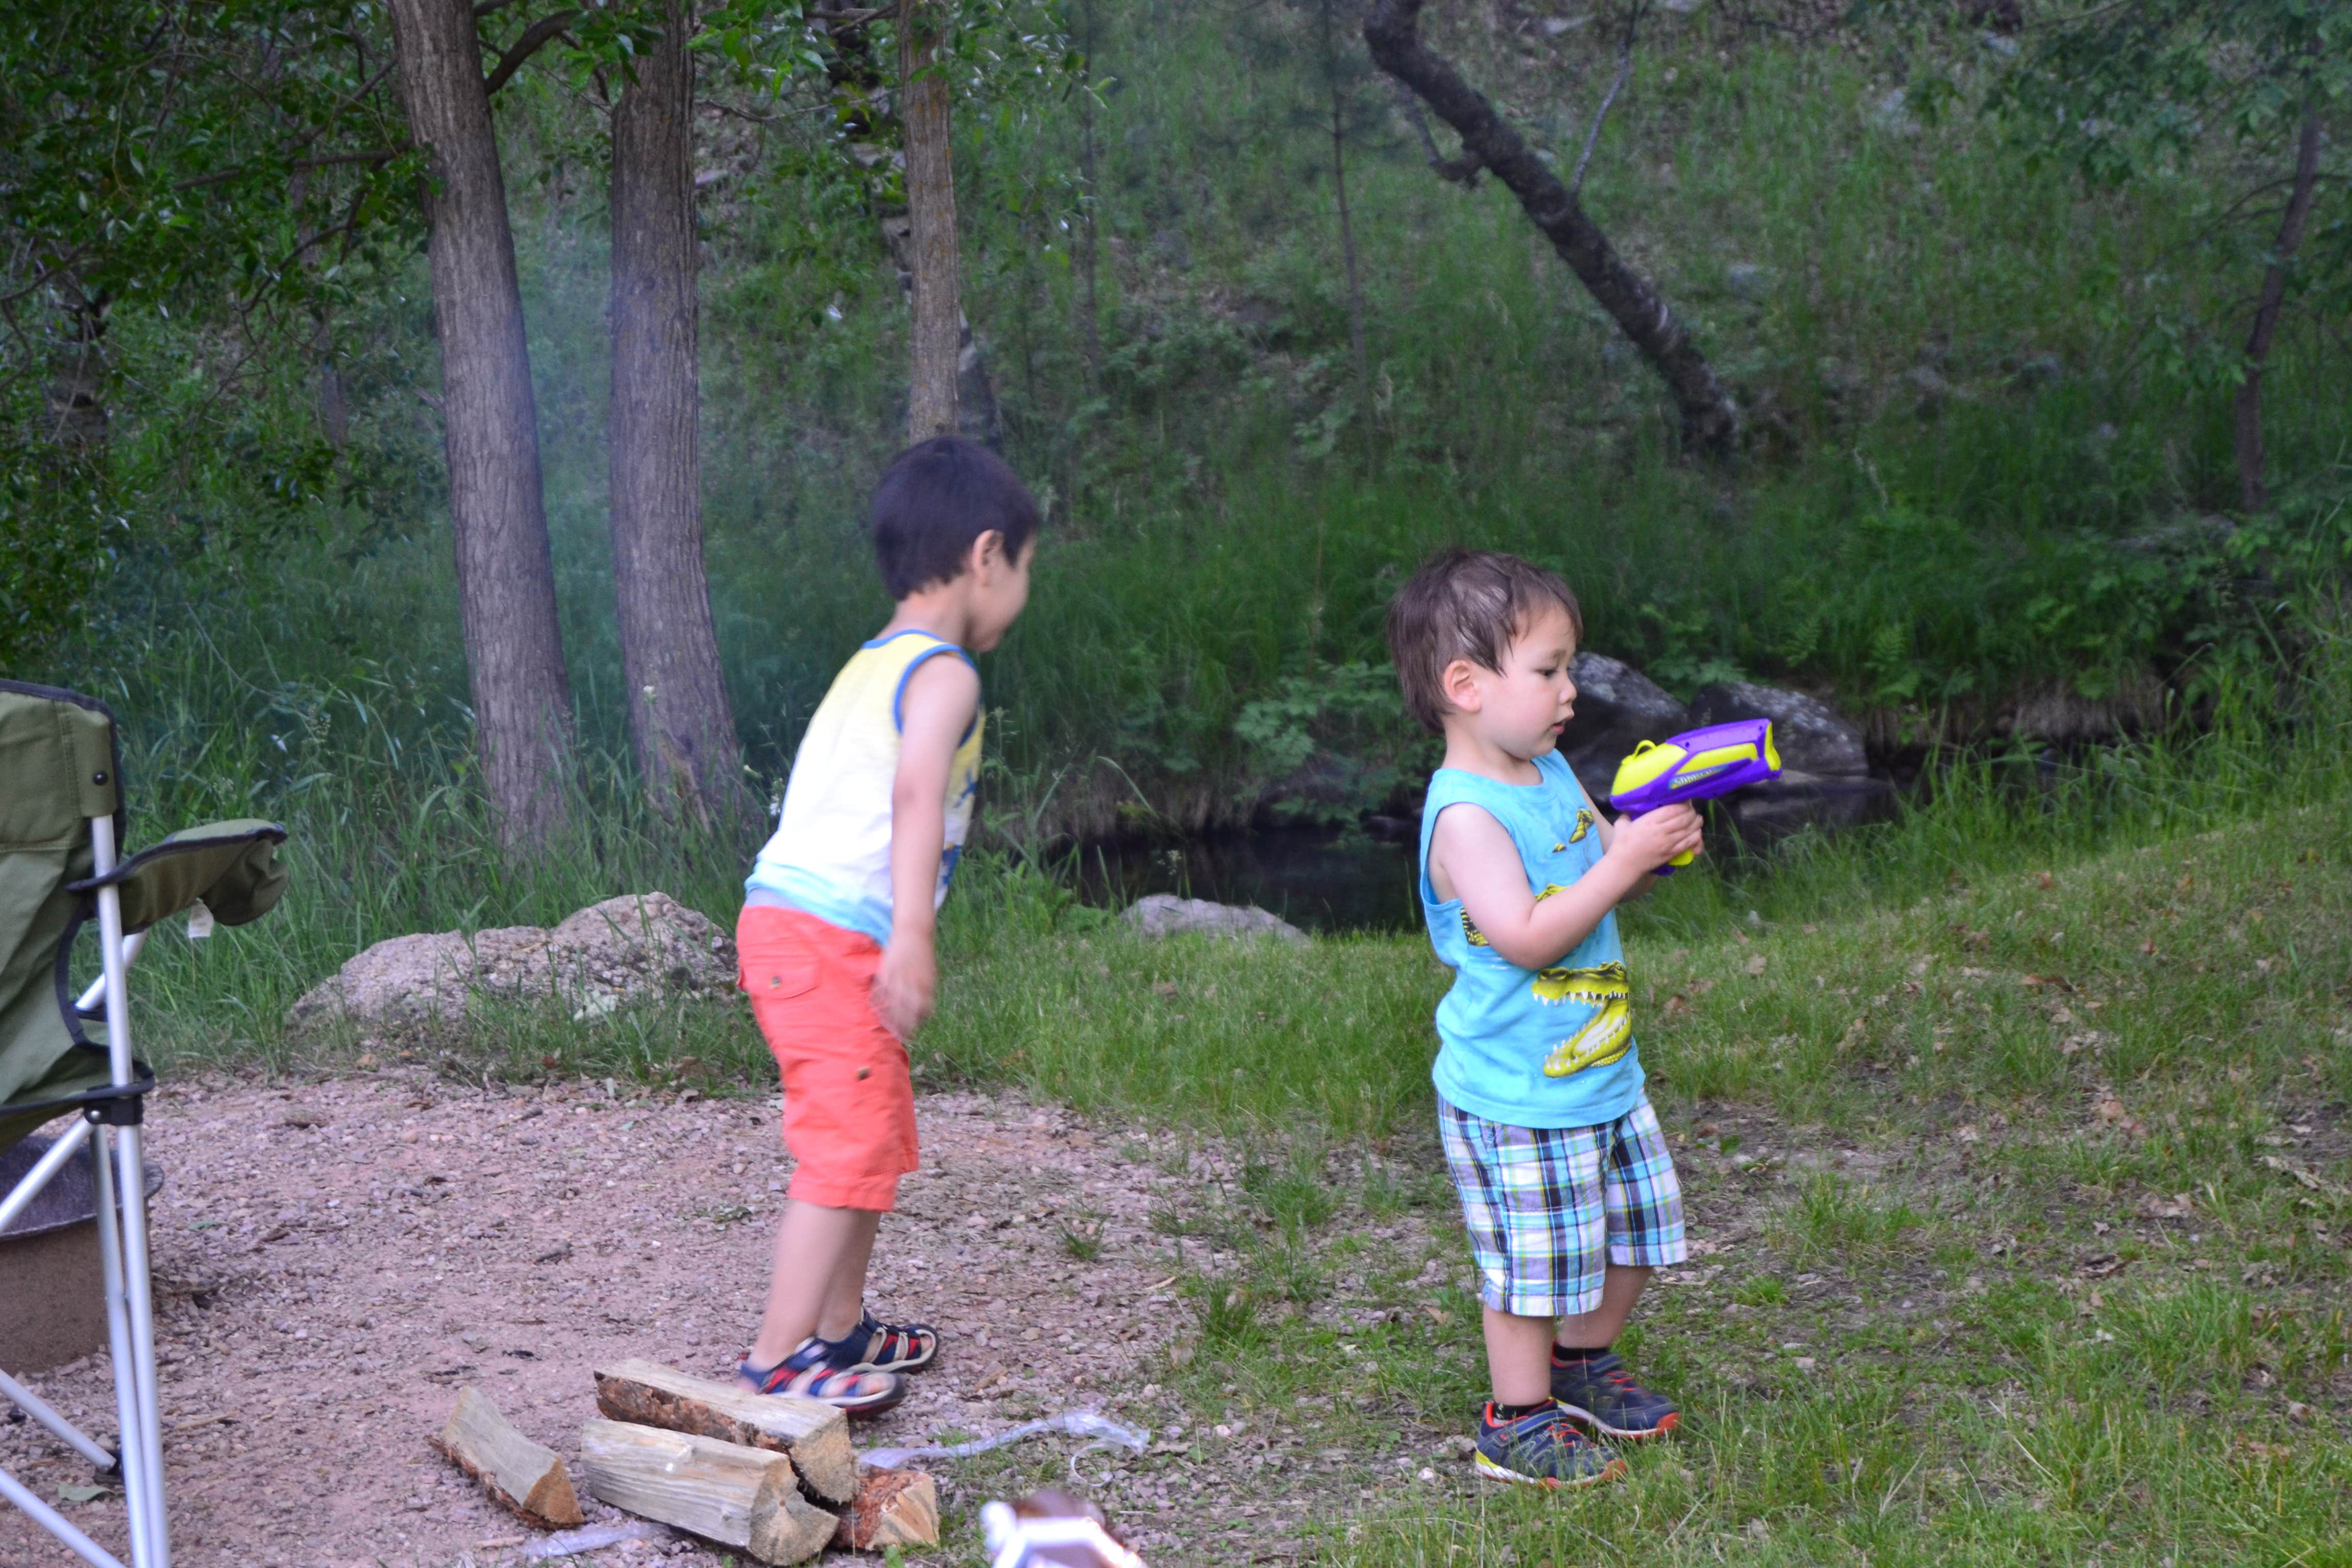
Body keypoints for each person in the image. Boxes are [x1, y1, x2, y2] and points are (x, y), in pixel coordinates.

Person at [1384, 548, 1701, 1487]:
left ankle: (1580, 1366)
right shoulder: (1467, 817)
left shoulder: (1550, 769)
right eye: (1551, 670)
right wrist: (1619, 864)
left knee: (1642, 1231)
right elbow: (1526, 936)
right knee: (1533, 1268)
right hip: (1516, 1093)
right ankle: (1513, 1419)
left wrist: (1652, 848)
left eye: (1570, 667)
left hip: (1601, 1072)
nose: (1572, 690)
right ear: (1466, 685)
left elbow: (1606, 880)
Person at [732, 435, 1037, 1413]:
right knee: (842, 1145)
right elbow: (914, 795)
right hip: (830, 938)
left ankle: (841, 1331)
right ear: (987, 556)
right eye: (1025, 568)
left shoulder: (876, 661)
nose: (1023, 587)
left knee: (871, 1136)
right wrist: (913, 931)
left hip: (795, 929)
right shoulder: (944, 673)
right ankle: (778, 1364)